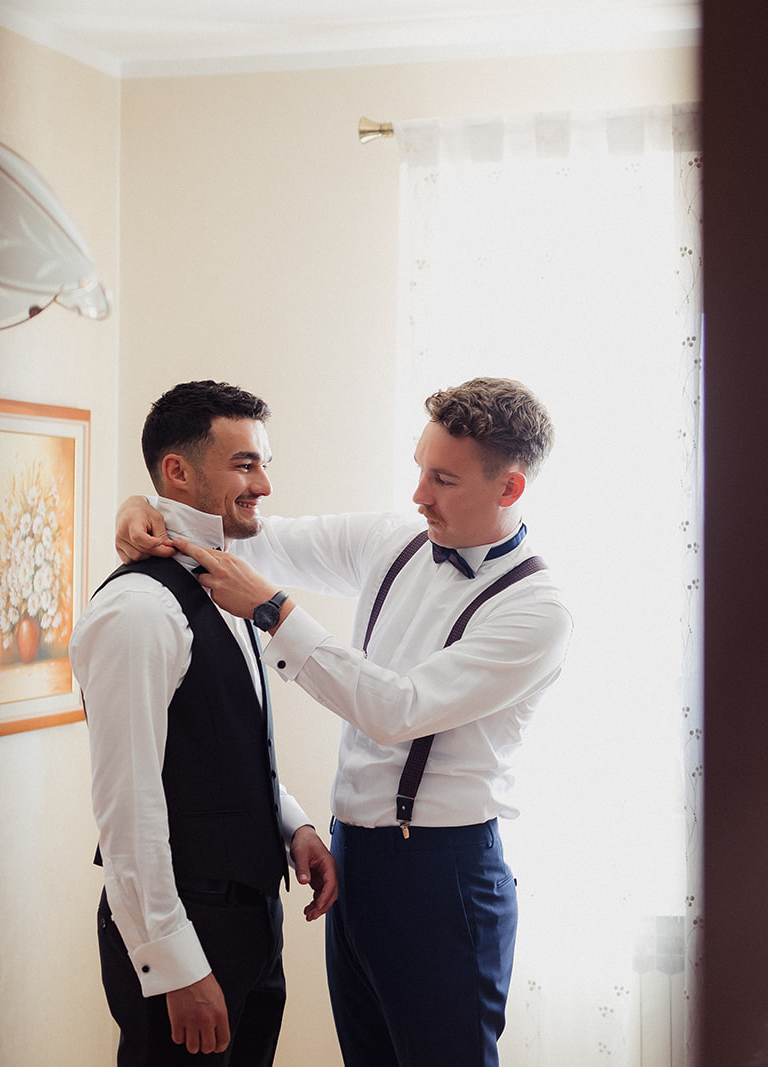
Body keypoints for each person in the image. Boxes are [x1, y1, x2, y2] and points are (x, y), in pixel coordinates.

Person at [115, 376, 573, 1067]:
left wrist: (274, 612)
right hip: (351, 864)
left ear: (509, 489)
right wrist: (143, 508)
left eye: (443, 479)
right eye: (420, 468)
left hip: (443, 877)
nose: (419, 495)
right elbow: (248, 537)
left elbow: (398, 710)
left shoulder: (537, 611)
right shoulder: (396, 539)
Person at [71, 380, 338, 1067]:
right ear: (178, 471)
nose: (265, 485)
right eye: (245, 465)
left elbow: (223, 744)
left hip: (252, 922)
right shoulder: (139, 611)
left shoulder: (228, 582)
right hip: (185, 928)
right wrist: (174, 963)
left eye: (263, 463)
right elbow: (127, 802)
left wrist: (293, 825)